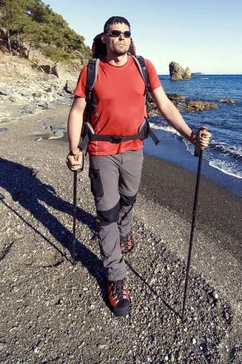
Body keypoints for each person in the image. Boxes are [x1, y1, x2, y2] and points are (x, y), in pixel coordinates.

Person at [66, 16, 211, 317]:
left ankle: (124, 232)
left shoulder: (143, 67)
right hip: (101, 149)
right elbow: (78, 110)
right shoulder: (91, 71)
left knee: (129, 197)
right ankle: (115, 277)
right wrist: (73, 150)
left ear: (131, 38)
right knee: (106, 210)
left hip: (134, 147)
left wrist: (190, 135)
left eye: (126, 33)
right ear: (104, 38)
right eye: (114, 33)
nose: (121, 37)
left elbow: (165, 105)